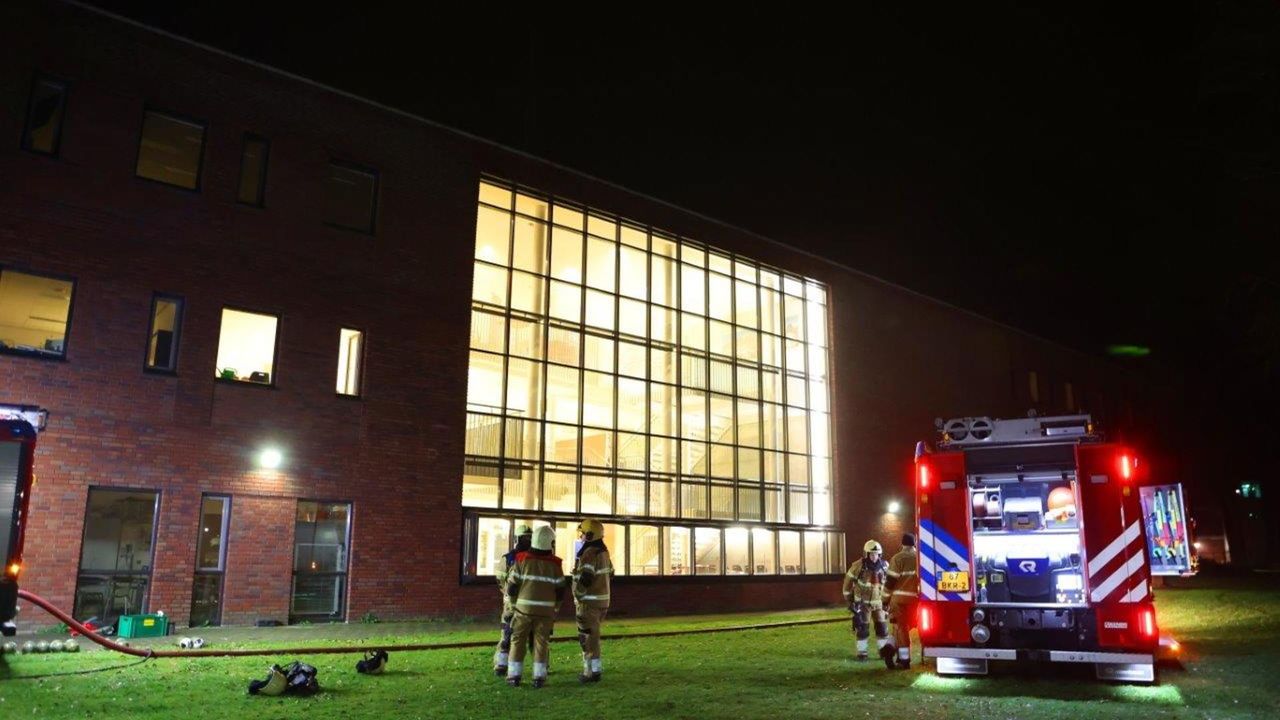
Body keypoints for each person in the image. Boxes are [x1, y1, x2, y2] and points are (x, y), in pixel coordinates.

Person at [505, 525, 566, 688]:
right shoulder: (556, 564)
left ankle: (514, 675)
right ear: (550, 543)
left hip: (523, 610)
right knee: (541, 643)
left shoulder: (522, 560)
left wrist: (512, 605)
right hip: (545, 612)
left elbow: (512, 587)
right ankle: (539, 677)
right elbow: (560, 591)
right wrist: (555, 610)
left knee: (518, 640)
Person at [572, 518, 613, 683]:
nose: (581, 536)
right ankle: (595, 670)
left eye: (582, 533)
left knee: (586, 638)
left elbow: (587, 577)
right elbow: (611, 572)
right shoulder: (604, 552)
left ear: (589, 535)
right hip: (602, 603)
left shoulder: (589, 553)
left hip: (588, 603)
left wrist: (578, 593)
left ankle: (590, 672)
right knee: (594, 637)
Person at [493, 523, 534, 676]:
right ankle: (502, 665)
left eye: (530, 538)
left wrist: (508, 595)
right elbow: (501, 580)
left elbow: (500, 580)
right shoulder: (515, 558)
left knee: (508, 635)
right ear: (518, 538)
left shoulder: (511, 558)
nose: (528, 540)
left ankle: (502, 665)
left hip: (515, 604)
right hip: (522, 604)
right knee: (514, 636)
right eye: (526, 538)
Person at [842, 539, 889, 661]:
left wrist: (888, 601)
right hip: (863, 604)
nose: (874, 557)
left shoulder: (885, 566)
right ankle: (862, 653)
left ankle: (883, 652)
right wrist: (850, 600)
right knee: (862, 630)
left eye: (876, 554)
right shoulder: (858, 566)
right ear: (866, 554)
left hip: (879, 604)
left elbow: (889, 585)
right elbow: (847, 584)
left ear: (880, 554)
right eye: (871, 554)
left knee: (882, 629)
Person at [883, 533, 919, 669]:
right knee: (903, 628)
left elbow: (890, 582)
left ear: (902, 544)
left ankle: (903, 659)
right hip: (915, 601)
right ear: (914, 544)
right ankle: (890, 651)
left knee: (900, 628)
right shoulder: (920, 557)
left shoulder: (897, 558)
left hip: (898, 601)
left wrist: (884, 600)